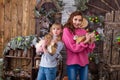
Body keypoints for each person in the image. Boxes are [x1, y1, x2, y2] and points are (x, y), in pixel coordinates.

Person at [62, 11, 96, 80]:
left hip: (84, 62)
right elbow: (73, 48)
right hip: (72, 63)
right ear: (71, 19)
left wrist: (91, 41)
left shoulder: (83, 31)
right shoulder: (66, 31)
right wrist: (86, 41)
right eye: (75, 19)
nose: (77, 22)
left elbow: (88, 50)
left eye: (80, 20)